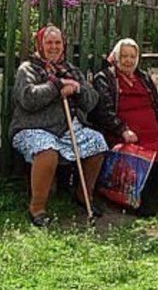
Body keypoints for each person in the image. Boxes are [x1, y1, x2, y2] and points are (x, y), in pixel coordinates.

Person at [9, 25, 108, 227]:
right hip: (32, 128)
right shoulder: (28, 69)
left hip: (67, 130)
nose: (53, 47)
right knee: (47, 150)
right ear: (40, 45)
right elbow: (28, 98)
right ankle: (37, 208)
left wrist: (77, 89)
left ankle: (83, 195)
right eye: (49, 42)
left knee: (97, 142)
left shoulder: (71, 70)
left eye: (58, 43)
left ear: (63, 46)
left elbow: (91, 102)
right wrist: (56, 86)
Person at [91, 38, 158, 214]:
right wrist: (122, 130)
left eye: (132, 56)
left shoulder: (143, 77)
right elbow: (104, 112)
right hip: (124, 132)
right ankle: (136, 200)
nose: (128, 60)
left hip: (151, 131)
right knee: (137, 152)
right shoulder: (104, 78)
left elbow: (157, 106)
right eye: (124, 56)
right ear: (116, 57)